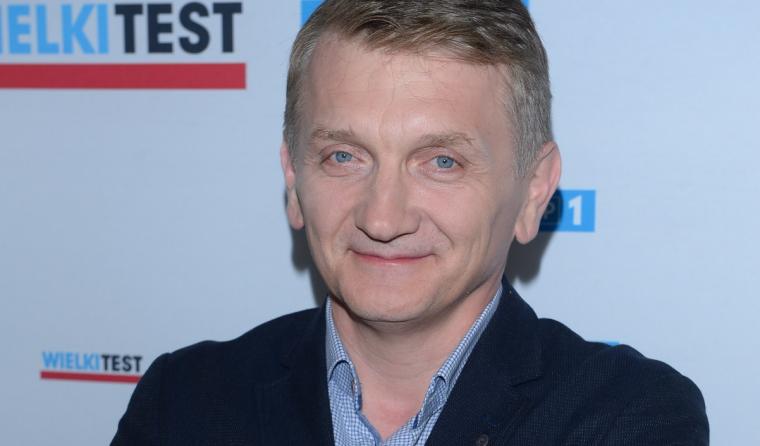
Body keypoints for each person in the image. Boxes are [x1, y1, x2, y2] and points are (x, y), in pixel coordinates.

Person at [112, 1, 709, 444]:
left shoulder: (626, 417)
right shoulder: (183, 403)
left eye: (442, 162)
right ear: (294, 179)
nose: (383, 217)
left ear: (533, 190)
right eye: (343, 156)